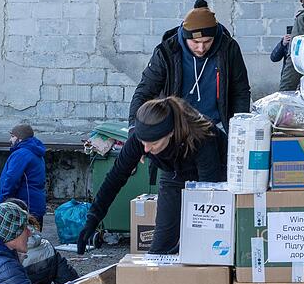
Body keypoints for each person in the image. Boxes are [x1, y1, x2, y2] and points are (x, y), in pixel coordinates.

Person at [77, 96, 226, 255]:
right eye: (143, 142)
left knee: (199, 248)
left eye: (153, 143)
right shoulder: (139, 141)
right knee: (160, 248)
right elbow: (115, 178)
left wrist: (189, 238)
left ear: (170, 133)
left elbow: (208, 194)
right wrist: (92, 219)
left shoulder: (201, 135)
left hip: (214, 177)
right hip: (173, 173)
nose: (146, 149)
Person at [129, 0, 251, 133]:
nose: (201, 48)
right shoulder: (167, 52)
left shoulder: (228, 49)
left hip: (217, 126)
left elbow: (240, 91)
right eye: (195, 41)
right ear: (185, 36)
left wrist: (239, 128)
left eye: (208, 41)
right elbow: (145, 92)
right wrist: (135, 130)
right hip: (177, 127)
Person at [0, 124, 47, 227]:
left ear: (20, 139)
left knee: (24, 240)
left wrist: (4, 201)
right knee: (32, 239)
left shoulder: (21, 154)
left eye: (12, 136)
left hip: (25, 208)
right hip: (34, 205)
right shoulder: (34, 151)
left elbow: (11, 179)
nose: (9, 140)